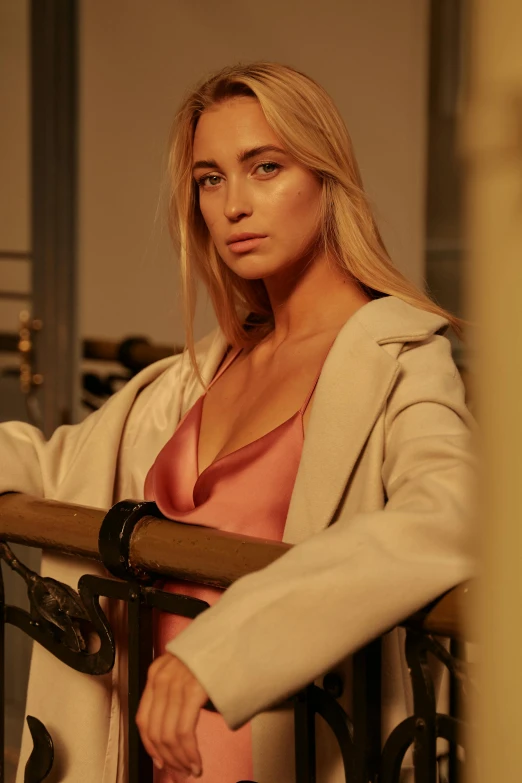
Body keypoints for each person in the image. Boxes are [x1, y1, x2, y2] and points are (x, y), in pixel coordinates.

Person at [1, 62, 475, 783]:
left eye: (265, 166)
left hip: (281, 753)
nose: (233, 204)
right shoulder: (200, 371)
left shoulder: (400, 358)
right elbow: (55, 463)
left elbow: (449, 515)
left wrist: (219, 651)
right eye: (210, 178)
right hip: (142, 759)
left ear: (326, 177)